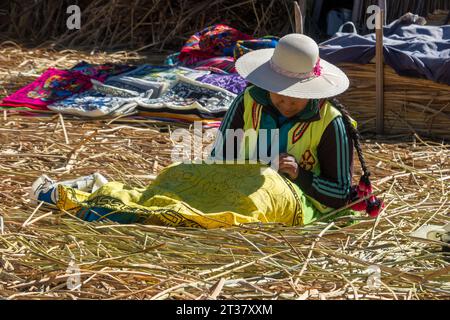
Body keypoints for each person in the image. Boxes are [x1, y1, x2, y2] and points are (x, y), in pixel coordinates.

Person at [211, 33, 383, 223]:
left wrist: (299, 175)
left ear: (312, 91)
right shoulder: (247, 101)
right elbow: (218, 156)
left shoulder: (331, 122)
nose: (286, 104)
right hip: (239, 190)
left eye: (296, 97)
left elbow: (341, 194)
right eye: (280, 94)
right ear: (269, 83)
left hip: (298, 206)